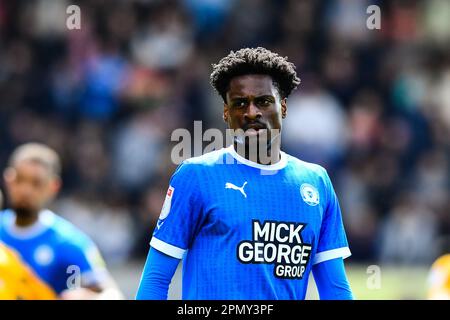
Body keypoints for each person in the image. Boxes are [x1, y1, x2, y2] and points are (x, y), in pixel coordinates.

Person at [136, 47, 354, 300]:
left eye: (263, 101)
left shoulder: (316, 182)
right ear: (226, 114)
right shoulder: (197, 176)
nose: (252, 113)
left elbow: (336, 290)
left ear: (282, 107)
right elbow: (155, 280)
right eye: (240, 103)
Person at [0, 143, 123, 299]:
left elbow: (112, 294)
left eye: (36, 183)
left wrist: (86, 296)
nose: (26, 190)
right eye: (20, 179)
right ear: (8, 179)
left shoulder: (69, 242)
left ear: (53, 186)